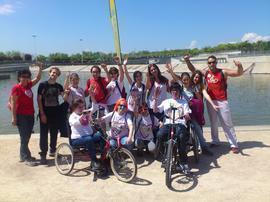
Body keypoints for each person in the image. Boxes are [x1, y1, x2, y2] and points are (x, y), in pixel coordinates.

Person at [184, 55, 243, 153]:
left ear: (216, 62)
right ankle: (215, 140)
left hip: (222, 100)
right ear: (207, 64)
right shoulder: (206, 73)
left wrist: (239, 66)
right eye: (209, 62)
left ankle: (233, 144)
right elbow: (194, 70)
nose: (212, 64)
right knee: (213, 122)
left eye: (213, 62)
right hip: (210, 101)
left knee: (227, 123)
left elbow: (238, 73)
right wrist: (187, 61)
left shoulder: (222, 72)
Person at [166, 64, 219, 156]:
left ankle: (204, 147)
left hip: (193, 113)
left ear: (189, 79)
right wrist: (170, 71)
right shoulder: (180, 88)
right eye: (183, 79)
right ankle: (183, 146)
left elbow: (200, 99)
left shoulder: (193, 88)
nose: (185, 81)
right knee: (181, 130)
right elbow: (175, 78)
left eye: (187, 79)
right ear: (182, 80)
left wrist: (198, 101)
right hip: (182, 113)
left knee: (197, 128)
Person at [154, 82, 191, 174]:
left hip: (179, 123)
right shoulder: (166, 101)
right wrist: (155, 98)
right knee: (159, 135)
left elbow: (187, 113)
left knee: (181, 137)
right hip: (168, 123)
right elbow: (155, 110)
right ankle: (165, 156)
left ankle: (184, 162)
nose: (175, 92)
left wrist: (186, 116)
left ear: (179, 92)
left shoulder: (183, 102)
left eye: (177, 90)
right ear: (170, 92)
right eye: (173, 90)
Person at [10, 63, 42, 166]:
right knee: (24, 137)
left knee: (26, 136)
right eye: (23, 76)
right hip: (21, 115)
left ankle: (23, 155)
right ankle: (26, 158)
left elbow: (37, 78)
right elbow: (14, 104)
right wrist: (14, 118)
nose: (25, 78)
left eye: (27, 77)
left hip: (30, 115)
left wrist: (40, 68)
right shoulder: (16, 88)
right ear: (19, 77)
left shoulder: (28, 85)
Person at [37, 66, 68, 164]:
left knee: (54, 133)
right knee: (44, 134)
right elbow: (39, 99)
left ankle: (53, 150)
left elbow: (64, 98)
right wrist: (42, 113)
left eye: (56, 73)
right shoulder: (42, 85)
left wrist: (66, 92)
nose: (54, 74)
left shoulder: (58, 86)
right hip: (45, 112)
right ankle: (43, 154)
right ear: (49, 73)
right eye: (53, 72)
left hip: (55, 113)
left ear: (58, 76)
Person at [69, 99, 103, 170]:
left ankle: (103, 157)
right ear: (74, 108)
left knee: (100, 135)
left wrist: (92, 95)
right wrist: (83, 116)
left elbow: (94, 108)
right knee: (89, 139)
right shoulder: (72, 116)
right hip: (77, 139)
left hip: (89, 136)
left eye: (83, 106)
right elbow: (75, 123)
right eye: (80, 107)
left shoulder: (85, 113)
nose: (82, 109)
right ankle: (94, 160)